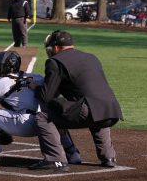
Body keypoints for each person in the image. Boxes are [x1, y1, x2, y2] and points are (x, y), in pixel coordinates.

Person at [28, 30, 123, 172]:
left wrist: (34, 86)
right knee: (97, 113)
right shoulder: (91, 57)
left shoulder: (55, 62)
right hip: (112, 109)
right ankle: (108, 158)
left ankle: (55, 159)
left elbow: (46, 96)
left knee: (44, 116)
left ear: (55, 47)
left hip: (89, 109)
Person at [0, 51, 81, 167]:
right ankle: (72, 153)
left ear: (5, 67)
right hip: (47, 126)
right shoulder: (37, 77)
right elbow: (53, 93)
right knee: (53, 113)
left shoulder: (0, 83)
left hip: (25, 124)